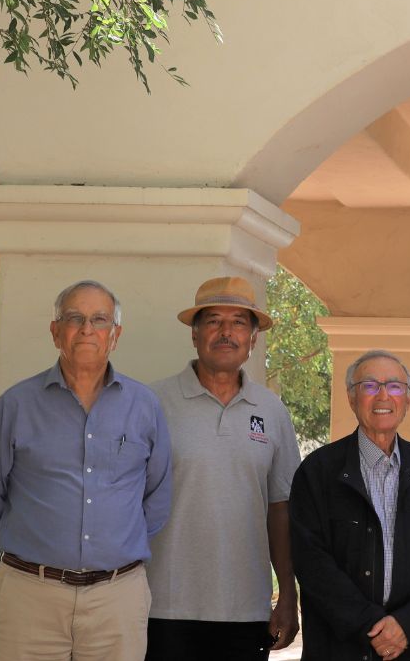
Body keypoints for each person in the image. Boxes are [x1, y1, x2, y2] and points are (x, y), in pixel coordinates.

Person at [0, 279, 172, 661]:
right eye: (74, 318)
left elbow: (157, 497)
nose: (87, 328)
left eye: (99, 319)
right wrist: (30, 552)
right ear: (55, 331)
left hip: (117, 599)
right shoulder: (16, 405)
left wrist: (114, 546)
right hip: (29, 596)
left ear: (116, 334)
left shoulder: (144, 407)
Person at [146, 276, 303, 659]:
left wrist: (287, 593)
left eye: (238, 322)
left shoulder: (271, 411)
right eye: (214, 321)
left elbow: (280, 507)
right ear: (195, 335)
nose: (226, 332)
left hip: (246, 608)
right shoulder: (152, 403)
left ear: (252, 339)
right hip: (162, 605)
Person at [291, 351, 410, 661]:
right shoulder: (317, 471)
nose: (383, 395)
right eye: (369, 386)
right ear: (352, 398)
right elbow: (310, 561)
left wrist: (407, 625)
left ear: (408, 399)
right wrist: (370, 626)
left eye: (395, 386)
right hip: (338, 647)